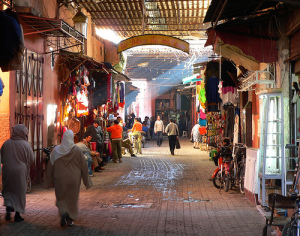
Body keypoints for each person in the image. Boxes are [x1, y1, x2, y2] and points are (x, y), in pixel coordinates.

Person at [45, 130, 92, 227]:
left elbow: (50, 166)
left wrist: (48, 181)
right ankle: (70, 219)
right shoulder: (78, 150)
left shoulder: (56, 150)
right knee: (72, 199)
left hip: (60, 179)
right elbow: (84, 167)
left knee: (61, 197)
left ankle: (63, 211)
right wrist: (87, 182)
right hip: (74, 179)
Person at [1, 124, 34, 222]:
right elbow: (31, 159)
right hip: (20, 171)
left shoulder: (6, 143)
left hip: (7, 170)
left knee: (8, 190)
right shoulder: (26, 145)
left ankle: (8, 206)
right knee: (19, 192)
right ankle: (17, 214)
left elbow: (1, 157)